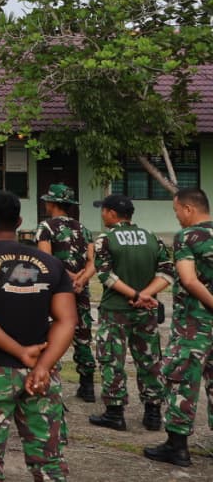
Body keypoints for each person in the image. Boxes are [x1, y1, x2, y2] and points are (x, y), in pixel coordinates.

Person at [0, 189, 75, 481]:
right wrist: (43, 365)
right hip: (42, 375)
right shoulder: (51, 264)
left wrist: (19, 352)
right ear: (19, 221)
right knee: (49, 460)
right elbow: (67, 320)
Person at [88, 193, 171, 433]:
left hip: (116, 310)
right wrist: (146, 295)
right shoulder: (151, 237)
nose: (102, 214)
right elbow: (166, 272)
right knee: (150, 359)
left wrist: (135, 295)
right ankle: (153, 413)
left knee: (112, 360)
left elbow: (105, 275)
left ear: (113, 213)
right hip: (146, 311)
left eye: (103, 210)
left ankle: (115, 413)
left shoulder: (106, 239)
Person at [144, 187, 213, 467]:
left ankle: (177, 447)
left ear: (188, 209)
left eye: (176, 212)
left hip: (194, 325)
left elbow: (188, 280)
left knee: (182, 380)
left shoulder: (188, 236)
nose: (177, 218)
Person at [35, 183, 96, 402]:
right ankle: (87, 386)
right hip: (81, 289)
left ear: (52, 203)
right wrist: (81, 279)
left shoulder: (46, 227)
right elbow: (92, 262)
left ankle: (48, 377)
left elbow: (47, 260)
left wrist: (68, 278)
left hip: (55, 290)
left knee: (52, 332)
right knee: (82, 334)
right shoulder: (84, 229)